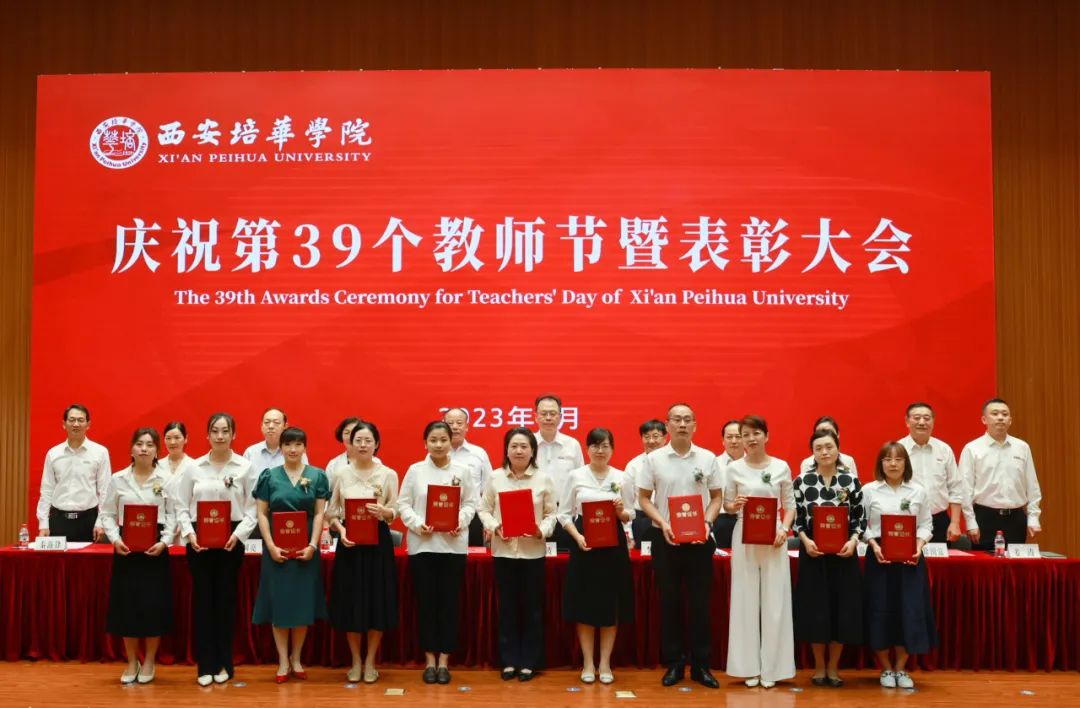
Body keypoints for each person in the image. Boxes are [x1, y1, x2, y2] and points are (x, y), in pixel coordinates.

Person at [637, 403, 723, 689]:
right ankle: (674, 664)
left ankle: (701, 666)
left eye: (687, 419)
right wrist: (663, 523)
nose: (682, 424)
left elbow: (716, 497)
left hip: (700, 541)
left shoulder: (708, 458)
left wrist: (708, 523)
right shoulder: (654, 459)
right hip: (666, 540)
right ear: (667, 425)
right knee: (670, 604)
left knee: (700, 605)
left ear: (695, 425)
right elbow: (644, 498)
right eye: (677, 419)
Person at [174, 412, 258, 686]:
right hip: (199, 541)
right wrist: (189, 534)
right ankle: (205, 665)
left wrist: (238, 535)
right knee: (203, 602)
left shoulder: (245, 467)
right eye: (215, 431)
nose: (220, 436)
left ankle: (224, 663)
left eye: (225, 431)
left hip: (231, 540)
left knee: (225, 602)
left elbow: (253, 509)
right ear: (207, 435)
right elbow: (181, 505)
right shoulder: (193, 468)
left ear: (234, 435)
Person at [397, 421, 478, 685]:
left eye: (443, 439)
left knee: (449, 603)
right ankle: (429, 660)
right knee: (426, 603)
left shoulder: (463, 471)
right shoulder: (415, 470)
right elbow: (403, 504)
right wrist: (417, 524)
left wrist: (460, 521)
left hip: (453, 546)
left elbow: (471, 504)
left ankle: (444, 660)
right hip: (423, 546)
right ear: (425, 443)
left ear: (450, 442)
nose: (439, 444)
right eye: (433, 440)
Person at [477, 427, 556, 682]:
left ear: (533, 451)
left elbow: (551, 514)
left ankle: (530, 662)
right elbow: (483, 509)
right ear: (506, 450)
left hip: (533, 553)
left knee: (532, 609)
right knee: (508, 608)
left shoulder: (544, 479)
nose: (519, 451)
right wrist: (494, 527)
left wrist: (541, 530)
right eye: (514, 446)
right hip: (503, 553)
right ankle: (509, 660)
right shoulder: (495, 477)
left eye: (524, 446)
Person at [252, 426, 330, 684]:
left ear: (305, 447)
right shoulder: (269, 476)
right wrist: (271, 546)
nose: (293, 449)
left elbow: (319, 514)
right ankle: (283, 661)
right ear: (281, 448)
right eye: (288, 444)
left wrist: (313, 545)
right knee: (280, 605)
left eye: (298, 444)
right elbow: (262, 513)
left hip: (306, 549)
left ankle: (296, 658)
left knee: (302, 605)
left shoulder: (317, 475)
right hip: (276, 550)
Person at [558, 428, 635, 685]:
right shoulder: (575, 476)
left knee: (610, 605)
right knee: (585, 604)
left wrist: (622, 512)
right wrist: (577, 536)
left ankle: (605, 663)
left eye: (605, 446)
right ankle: (588, 663)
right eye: (595, 446)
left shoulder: (622, 477)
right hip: (585, 545)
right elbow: (564, 514)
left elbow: (631, 513)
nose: (600, 451)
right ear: (587, 449)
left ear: (612, 449)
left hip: (613, 546)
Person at [725, 415, 796, 689]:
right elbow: (728, 505)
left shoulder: (781, 466)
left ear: (766, 436)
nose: (751, 439)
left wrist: (784, 529)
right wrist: (734, 505)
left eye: (756, 433)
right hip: (744, 535)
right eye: (745, 434)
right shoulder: (734, 468)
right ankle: (748, 667)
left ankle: (773, 668)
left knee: (775, 602)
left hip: (775, 537)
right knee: (744, 600)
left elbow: (789, 505)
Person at [326, 420, 399, 684]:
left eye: (368, 440)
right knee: (351, 603)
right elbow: (332, 512)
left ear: (376, 444)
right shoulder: (341, 474)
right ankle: (356, 661)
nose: (363, 445)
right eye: (358, 440)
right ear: (350, 443)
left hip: (378, 544)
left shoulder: (388, 474)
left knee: (376, 602)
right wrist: (341, 530)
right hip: (350, 544)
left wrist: (385, 511)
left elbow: (395, 510)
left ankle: (370, 662)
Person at [100, 427, 174, 684]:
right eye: (139, 444)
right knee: (127, 607)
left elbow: (174, 514)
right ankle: (132, 661)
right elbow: (107, 513)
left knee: (153, 607)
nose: (144, 448)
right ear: (131, 448)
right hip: (126, 550)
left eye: (150, 444)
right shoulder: (118, 479)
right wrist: (115, 539)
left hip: (156, 549)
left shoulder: (166, 479)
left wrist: (165, 542)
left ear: (157, 450)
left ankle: (150, 661)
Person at [792, 429, 865, 687]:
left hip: (844, 553)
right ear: (812, 453)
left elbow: (859, 518)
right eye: (818, 448)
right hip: (813, 553)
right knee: (816, 611)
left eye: (829, 447)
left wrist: (853, 541)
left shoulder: (850, 480)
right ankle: (819, 667)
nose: (824, 452)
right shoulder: (802, 481)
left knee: (840, 610)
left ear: (838, 449)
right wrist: (806, 541)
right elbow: (798, 519)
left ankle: (833, 668)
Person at [862, 442, 936, 690]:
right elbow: (861, 524)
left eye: (898, 459)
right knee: (880, 610)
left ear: (906, 463)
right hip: (879, 557)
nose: (893, 464)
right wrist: (874, 545)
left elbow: (926, 524)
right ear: (880, 464)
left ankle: (901, 668)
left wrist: (919, 546)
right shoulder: (869, 490)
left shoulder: (918, 491)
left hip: (910, 559)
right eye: (887, 459)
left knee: (910, 611)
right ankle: (885, 667)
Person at [958, 398, 1042, 549]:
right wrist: (970, 522)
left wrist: (1033, 517)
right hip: (985, 517)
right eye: (995, 414)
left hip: (1016, 518)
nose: (1000, 417)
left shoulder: (1022, 447)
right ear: (984, 419)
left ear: (1010, 420)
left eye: (1004, 414)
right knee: (984, 563)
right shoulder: (972, 448)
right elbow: (965, 489)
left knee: (1015, 563)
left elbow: (1032, 485)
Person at [36, 404, 112, 542]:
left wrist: (101, 522)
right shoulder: (53, 454)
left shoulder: (100, 452)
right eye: (71, 420)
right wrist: (43, 524)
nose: (76, 424)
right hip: (58, 521)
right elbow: (46, 490)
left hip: (88, 521)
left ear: (88, 424)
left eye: (80, 420)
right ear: (64, 424)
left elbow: (105, 491)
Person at [898, 403, 968, 544]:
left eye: (927, 418)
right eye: (917, 418)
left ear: (933, 421)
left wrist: (955, 522)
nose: (922, 422)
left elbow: (955, 487)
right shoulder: (898, 450)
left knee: (939, 558)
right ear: (907, 421)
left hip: (939, 521)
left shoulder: (944, 449)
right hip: (906, 519)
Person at [533, 394, 584, 551]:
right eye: (544, 413)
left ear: (560, 417)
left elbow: (581, 482)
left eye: (553, 413)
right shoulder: (527, 444)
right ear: (536, 416)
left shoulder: (572, 444)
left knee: (564, 560)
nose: (548, 418)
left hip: (565, 516)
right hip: (534, 515)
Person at [444, 407, 494, 546]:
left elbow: (489, 490)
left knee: (473, 556)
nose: (455, 427)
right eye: (450, 423)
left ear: (466, 427)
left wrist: (489, 523)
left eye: (459, 423)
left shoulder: (479, 453)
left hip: (473, 516)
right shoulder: (436, 454)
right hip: (442, 512)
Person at [623, 419, 666, 547]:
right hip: (643, 521)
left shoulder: (675, 462)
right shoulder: (633, 465)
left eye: (655, 436)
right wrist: (628, 533)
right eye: (646, 437)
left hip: (669, 517)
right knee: (644, 557)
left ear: (665, 438)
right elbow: (627, 503)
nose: (651, 441)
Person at [160, 421, 196, 544]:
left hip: (187, 524)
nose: (172, 442)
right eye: (168, 438)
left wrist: (184, 524)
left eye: (177, 437)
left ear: (185, 439)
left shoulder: (194, 466)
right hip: (163, 525)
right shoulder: (157, 466)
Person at [243, 407, 307, 475]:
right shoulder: (251, 452)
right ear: (261, 426)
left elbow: (305, 478)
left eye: (276, 422)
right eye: (267, 422)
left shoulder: (295, 452)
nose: (271, 426)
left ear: (285, 426)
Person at [712, 419, 743, 548]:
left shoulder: (754, 464)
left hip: (749, 519)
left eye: (738, 436)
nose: (734, 441)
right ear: (723, 441)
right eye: (729, 437)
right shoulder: (713, 464)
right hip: (721, 520)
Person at [325, 416, 361, 489]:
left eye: (354, 432)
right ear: (341, 436)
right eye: (347, 433)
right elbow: (328, 491)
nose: (350, 437)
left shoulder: (375, 462)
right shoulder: (333, 464)